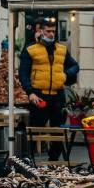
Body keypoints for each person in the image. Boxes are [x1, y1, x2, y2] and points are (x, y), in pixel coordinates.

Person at [19, 19, 79, 160]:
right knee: (35, 131)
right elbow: (23, 73)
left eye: (53, 31)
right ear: (40, 31)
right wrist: (30, 92)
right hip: (39, 95)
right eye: (48, 31)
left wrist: (66, 74)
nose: (51, 34)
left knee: (57, 132)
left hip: (58, 96)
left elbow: (75, 66)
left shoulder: (62, 49)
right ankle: (29, 161)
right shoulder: (30, 50)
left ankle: (53, 161)